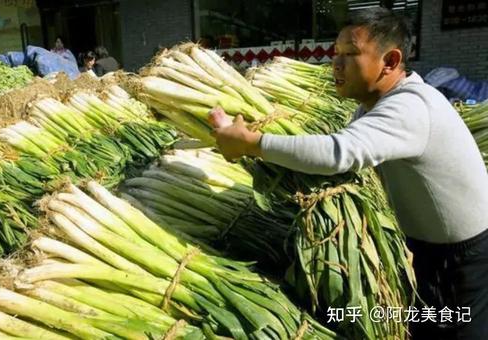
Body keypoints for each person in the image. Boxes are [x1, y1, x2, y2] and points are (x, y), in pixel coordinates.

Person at [209, 7, 488, 339]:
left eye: (350, 54)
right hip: (431, 249)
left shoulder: (410, 107)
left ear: (390, 61)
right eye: (335, 53)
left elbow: (338, 153)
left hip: (462, 257)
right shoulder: (372, 106)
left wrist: (252, 143)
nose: (336, 64)